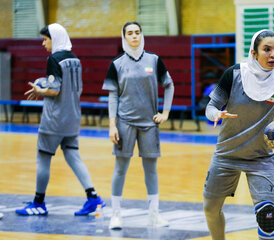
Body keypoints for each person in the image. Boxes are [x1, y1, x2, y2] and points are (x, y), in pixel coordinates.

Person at [203, 29, 274, 240]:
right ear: (254, 52)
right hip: (226, 155)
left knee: (267, 217)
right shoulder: (234, 74)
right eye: (266, 49)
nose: (273, 55)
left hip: (261, 158)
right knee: (210, 209)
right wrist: (216, 114)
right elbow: (211, 106)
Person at [15, 23, 105, 216]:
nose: (43, 43)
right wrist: (46, 83)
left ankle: (38, 202)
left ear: (54, 39)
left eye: (45, 39)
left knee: (43, 158)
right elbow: (70, 87)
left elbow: (54, 90)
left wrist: (40, 90)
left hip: (54, 120)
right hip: (72, 117)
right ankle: (93, 198)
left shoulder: (54, 59)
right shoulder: (75, 60)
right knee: (73, 156)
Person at [102, 21, 174, 229]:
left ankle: (154, 214)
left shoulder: (154, 60)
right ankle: (116, 215)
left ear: (141, 35)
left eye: (137, 32)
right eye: (130, 33)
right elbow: (113, 96)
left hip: (149, 124)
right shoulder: (116, 64)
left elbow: (169, 85)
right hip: (124, 123)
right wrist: (112, 125)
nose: (134, 36)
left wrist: (165, 113)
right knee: (120, 169)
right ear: (124, 37)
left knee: (151, 170)